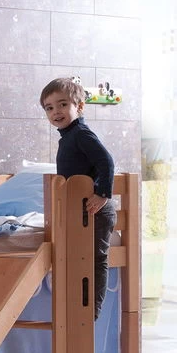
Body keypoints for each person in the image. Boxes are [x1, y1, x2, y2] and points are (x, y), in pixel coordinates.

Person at [40, 77, 116, 320]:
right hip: (81, 210)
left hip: (96, 208)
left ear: (79, 107)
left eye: (63, 104)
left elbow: (106, 162)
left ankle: (91, 311)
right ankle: (80, 305)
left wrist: (102, 193)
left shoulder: (81, 134)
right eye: (49, 107)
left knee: (96, 258)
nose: (56, 111)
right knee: (80, 257)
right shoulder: (68, 136)